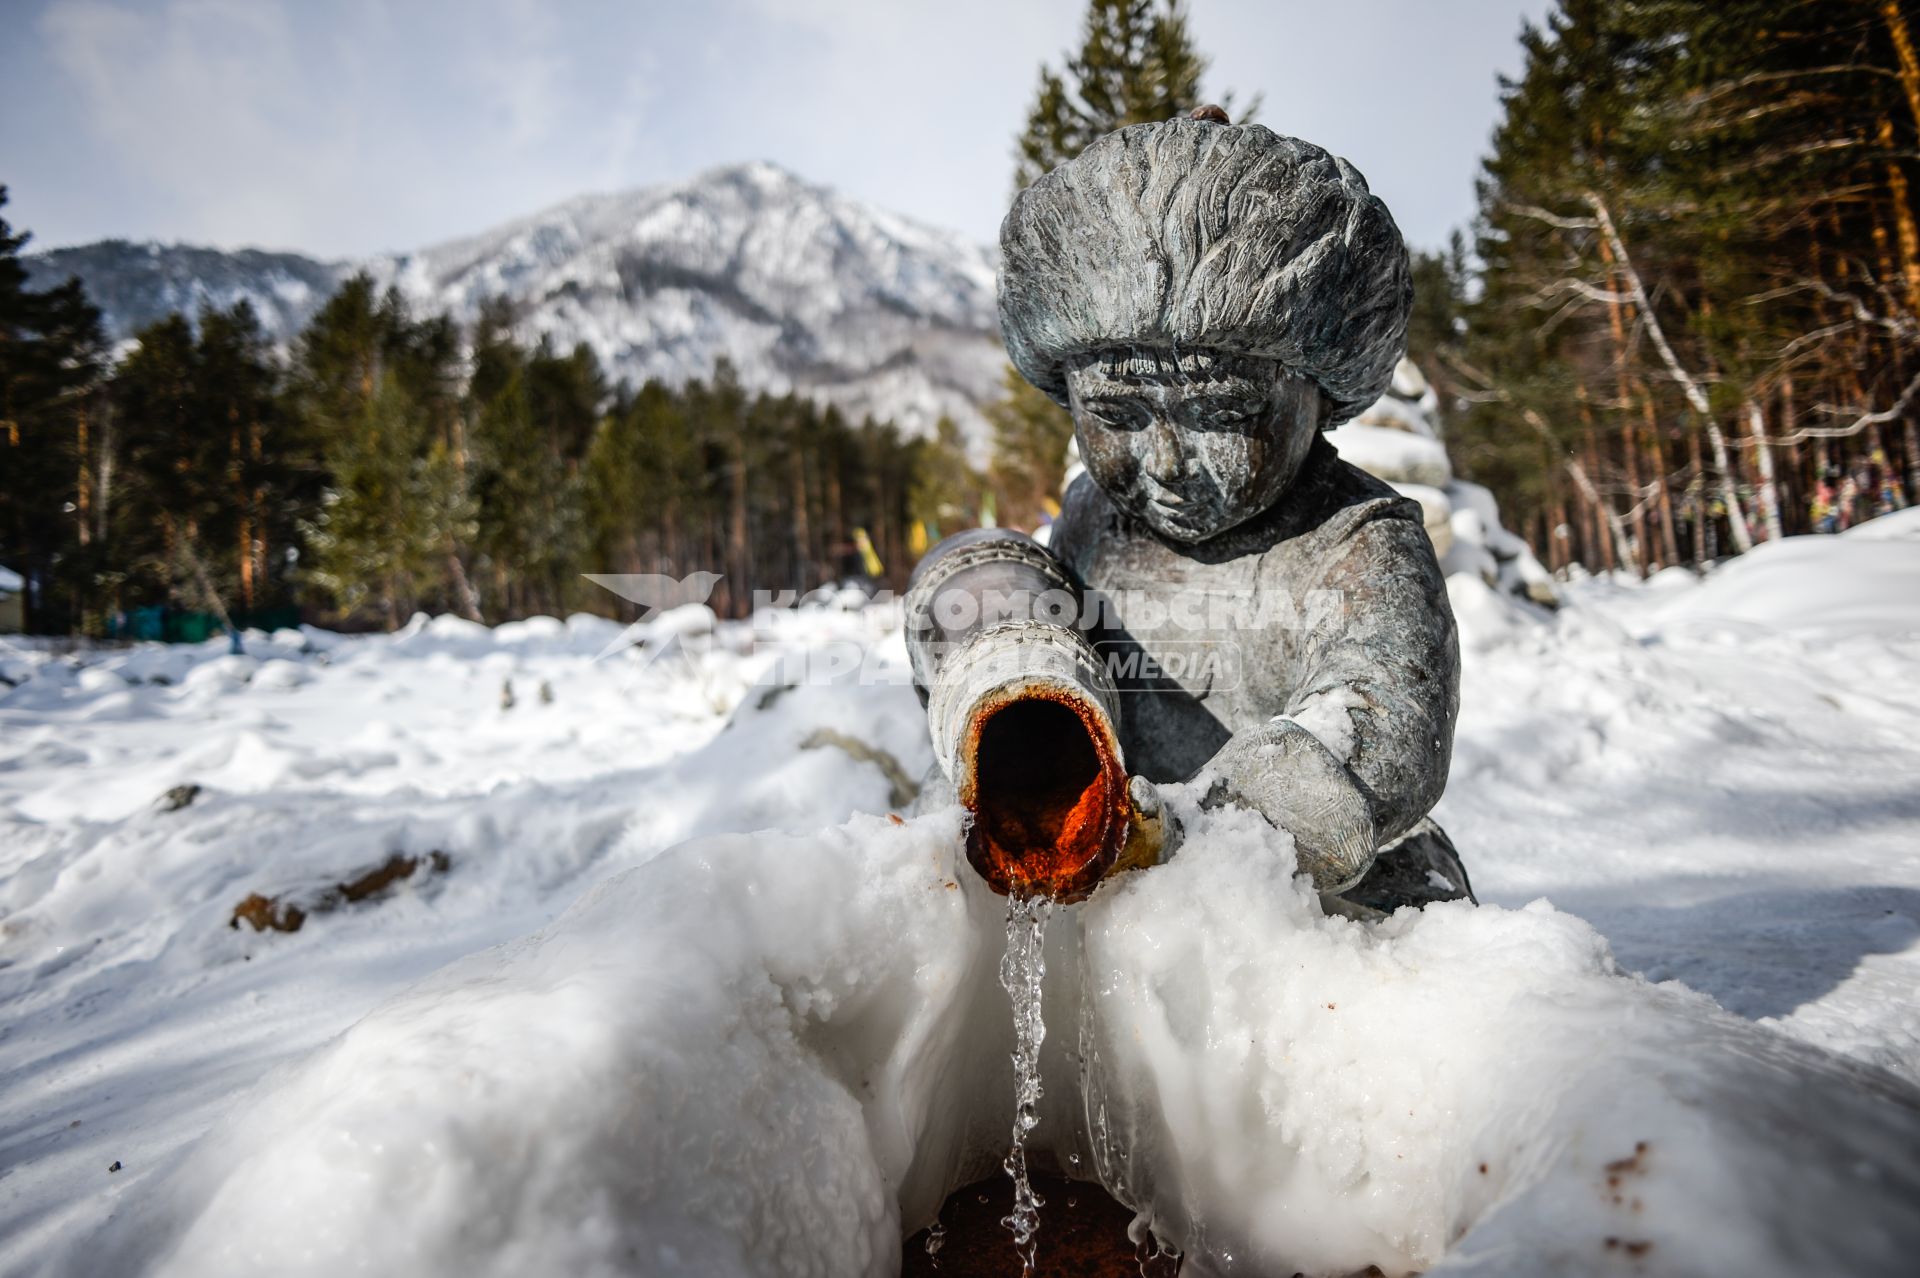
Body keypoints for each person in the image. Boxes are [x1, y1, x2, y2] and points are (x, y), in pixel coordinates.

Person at [910, 110, 1468, 914]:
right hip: (1106, 877)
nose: (1166, 462)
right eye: (1117, 415)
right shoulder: (1096, 518)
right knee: (980, 575)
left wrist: (1184, 837)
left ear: (1319, 393)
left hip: (1316, 903)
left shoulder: (1358, 546)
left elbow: (1379, 730)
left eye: (1224, 413)